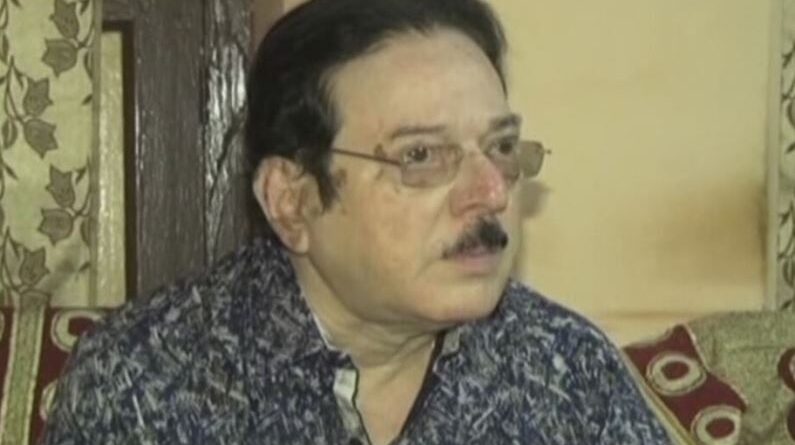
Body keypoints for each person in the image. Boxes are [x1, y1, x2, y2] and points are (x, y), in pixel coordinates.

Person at [42, 0, 671, 443]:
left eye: (501, 147)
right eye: (421, 156)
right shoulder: (144, 386)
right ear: (292, 201)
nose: (490, 191)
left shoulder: (567, 371)